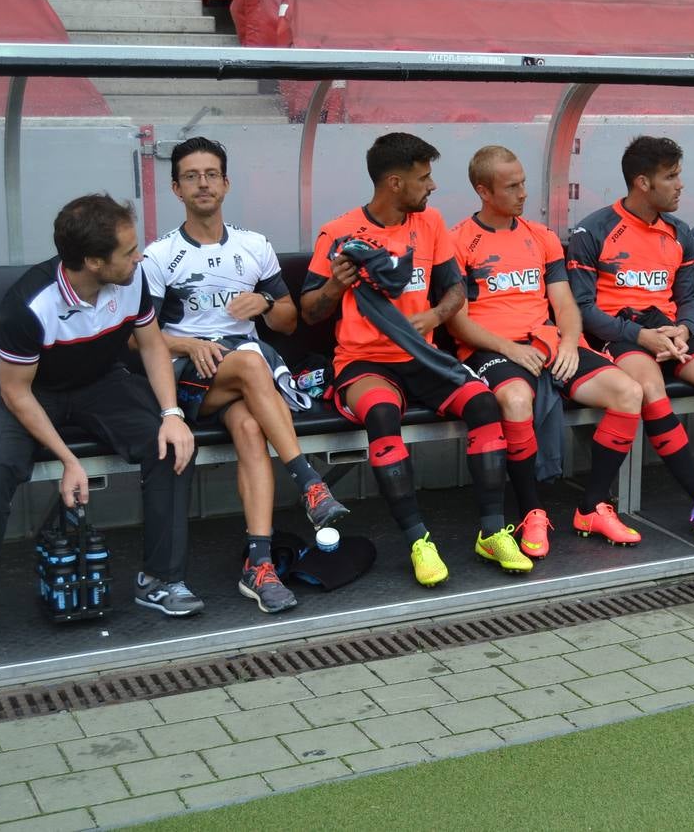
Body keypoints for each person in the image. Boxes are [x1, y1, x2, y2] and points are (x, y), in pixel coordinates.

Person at [0, 195, 198, 653]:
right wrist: (69, 461)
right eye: (128, 250)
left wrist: (171, 414)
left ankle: (160, 580)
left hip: (100, 382)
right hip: (27, 391)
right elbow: (15, 391)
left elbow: (150, 346)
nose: (139, 255)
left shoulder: (131, 277)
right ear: (92, 261)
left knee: (169, 446)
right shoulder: (29, 304)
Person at [142, 137, 350, 614]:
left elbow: (289, 321)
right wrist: (190, 343)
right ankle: (309, 483)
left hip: (240, 380)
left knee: (252, 426)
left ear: (226, 183)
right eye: (191, 176)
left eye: (211, 174)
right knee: (254, 362)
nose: (202, 183)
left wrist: (265, 303)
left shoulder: (254, 246)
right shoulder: (159, 256)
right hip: (187, 377)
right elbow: (140, 339)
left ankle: (259, 565)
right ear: (176, 189)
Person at [300, 132, 515, 588]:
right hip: (364, 361)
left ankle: (493, 532)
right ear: (394, 183)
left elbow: (456, 290)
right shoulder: (338, 233)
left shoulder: (431, 222)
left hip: (423, 356)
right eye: (424, 177)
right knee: (381, 413)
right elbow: (309, 310)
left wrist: (433, 316)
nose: (432, 185)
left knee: (483, 404)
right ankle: (419, 541)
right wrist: (336, 287)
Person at [448, 146, 645, 558]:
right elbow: (458, 323)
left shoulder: (542, 237)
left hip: (547, 343)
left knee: (628, 393)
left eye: (523, 181)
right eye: (512, 186)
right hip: (491, 349)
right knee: (517, 398)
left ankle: (591, 506)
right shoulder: (457, 242)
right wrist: (510, 349)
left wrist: (570, 342)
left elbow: (566, 304)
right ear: (484, 191)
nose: (523, 192)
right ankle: (531, 512)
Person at [568, 136, 694, 543]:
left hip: (672, 332)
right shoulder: (594, 230)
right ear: (642, 183)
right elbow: (583, 308)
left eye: (678, 175)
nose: (680, 185)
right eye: (670, 177)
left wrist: (684, 328)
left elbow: (689, 296)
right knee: (649, 386)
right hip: (621, 334)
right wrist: (640, 336)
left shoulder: (679, 231)